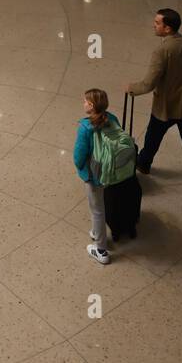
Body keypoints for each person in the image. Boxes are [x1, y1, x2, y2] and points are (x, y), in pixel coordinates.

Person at [127, 7, 182, 215]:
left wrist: (131, 88)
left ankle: (144, 163)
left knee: (153, 137)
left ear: (167, 28)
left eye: (157, 23)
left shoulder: (162, 51)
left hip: (165, 107)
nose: (154, 25)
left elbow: (148, 83)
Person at [73, 88, 117, 265]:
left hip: (94, 174)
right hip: (110, 171)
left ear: (91, 106)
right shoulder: (112, 119)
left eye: (85, 101)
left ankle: (101, 250)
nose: (83, 103)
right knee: (102, 203)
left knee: (97, 209)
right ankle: (96, 231)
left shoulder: (85, 126)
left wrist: (80, 168)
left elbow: (79, 155)